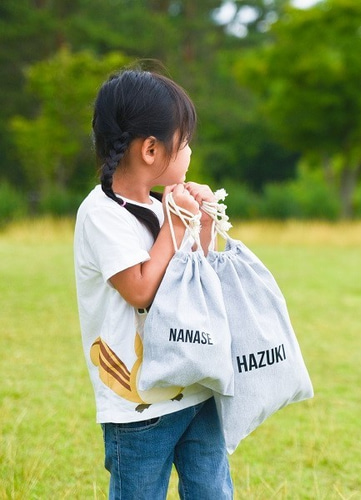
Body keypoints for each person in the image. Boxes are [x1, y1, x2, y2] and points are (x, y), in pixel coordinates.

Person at [74, 68, 233, 499]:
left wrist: (198, 222)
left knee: (212, 489)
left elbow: (190, 274)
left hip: (194, 384)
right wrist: (174, 224)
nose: (190, 152)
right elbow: (141, 289)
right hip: (138, 405)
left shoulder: (163, 207)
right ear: (150, 149)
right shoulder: (102, 214)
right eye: (183, 143)